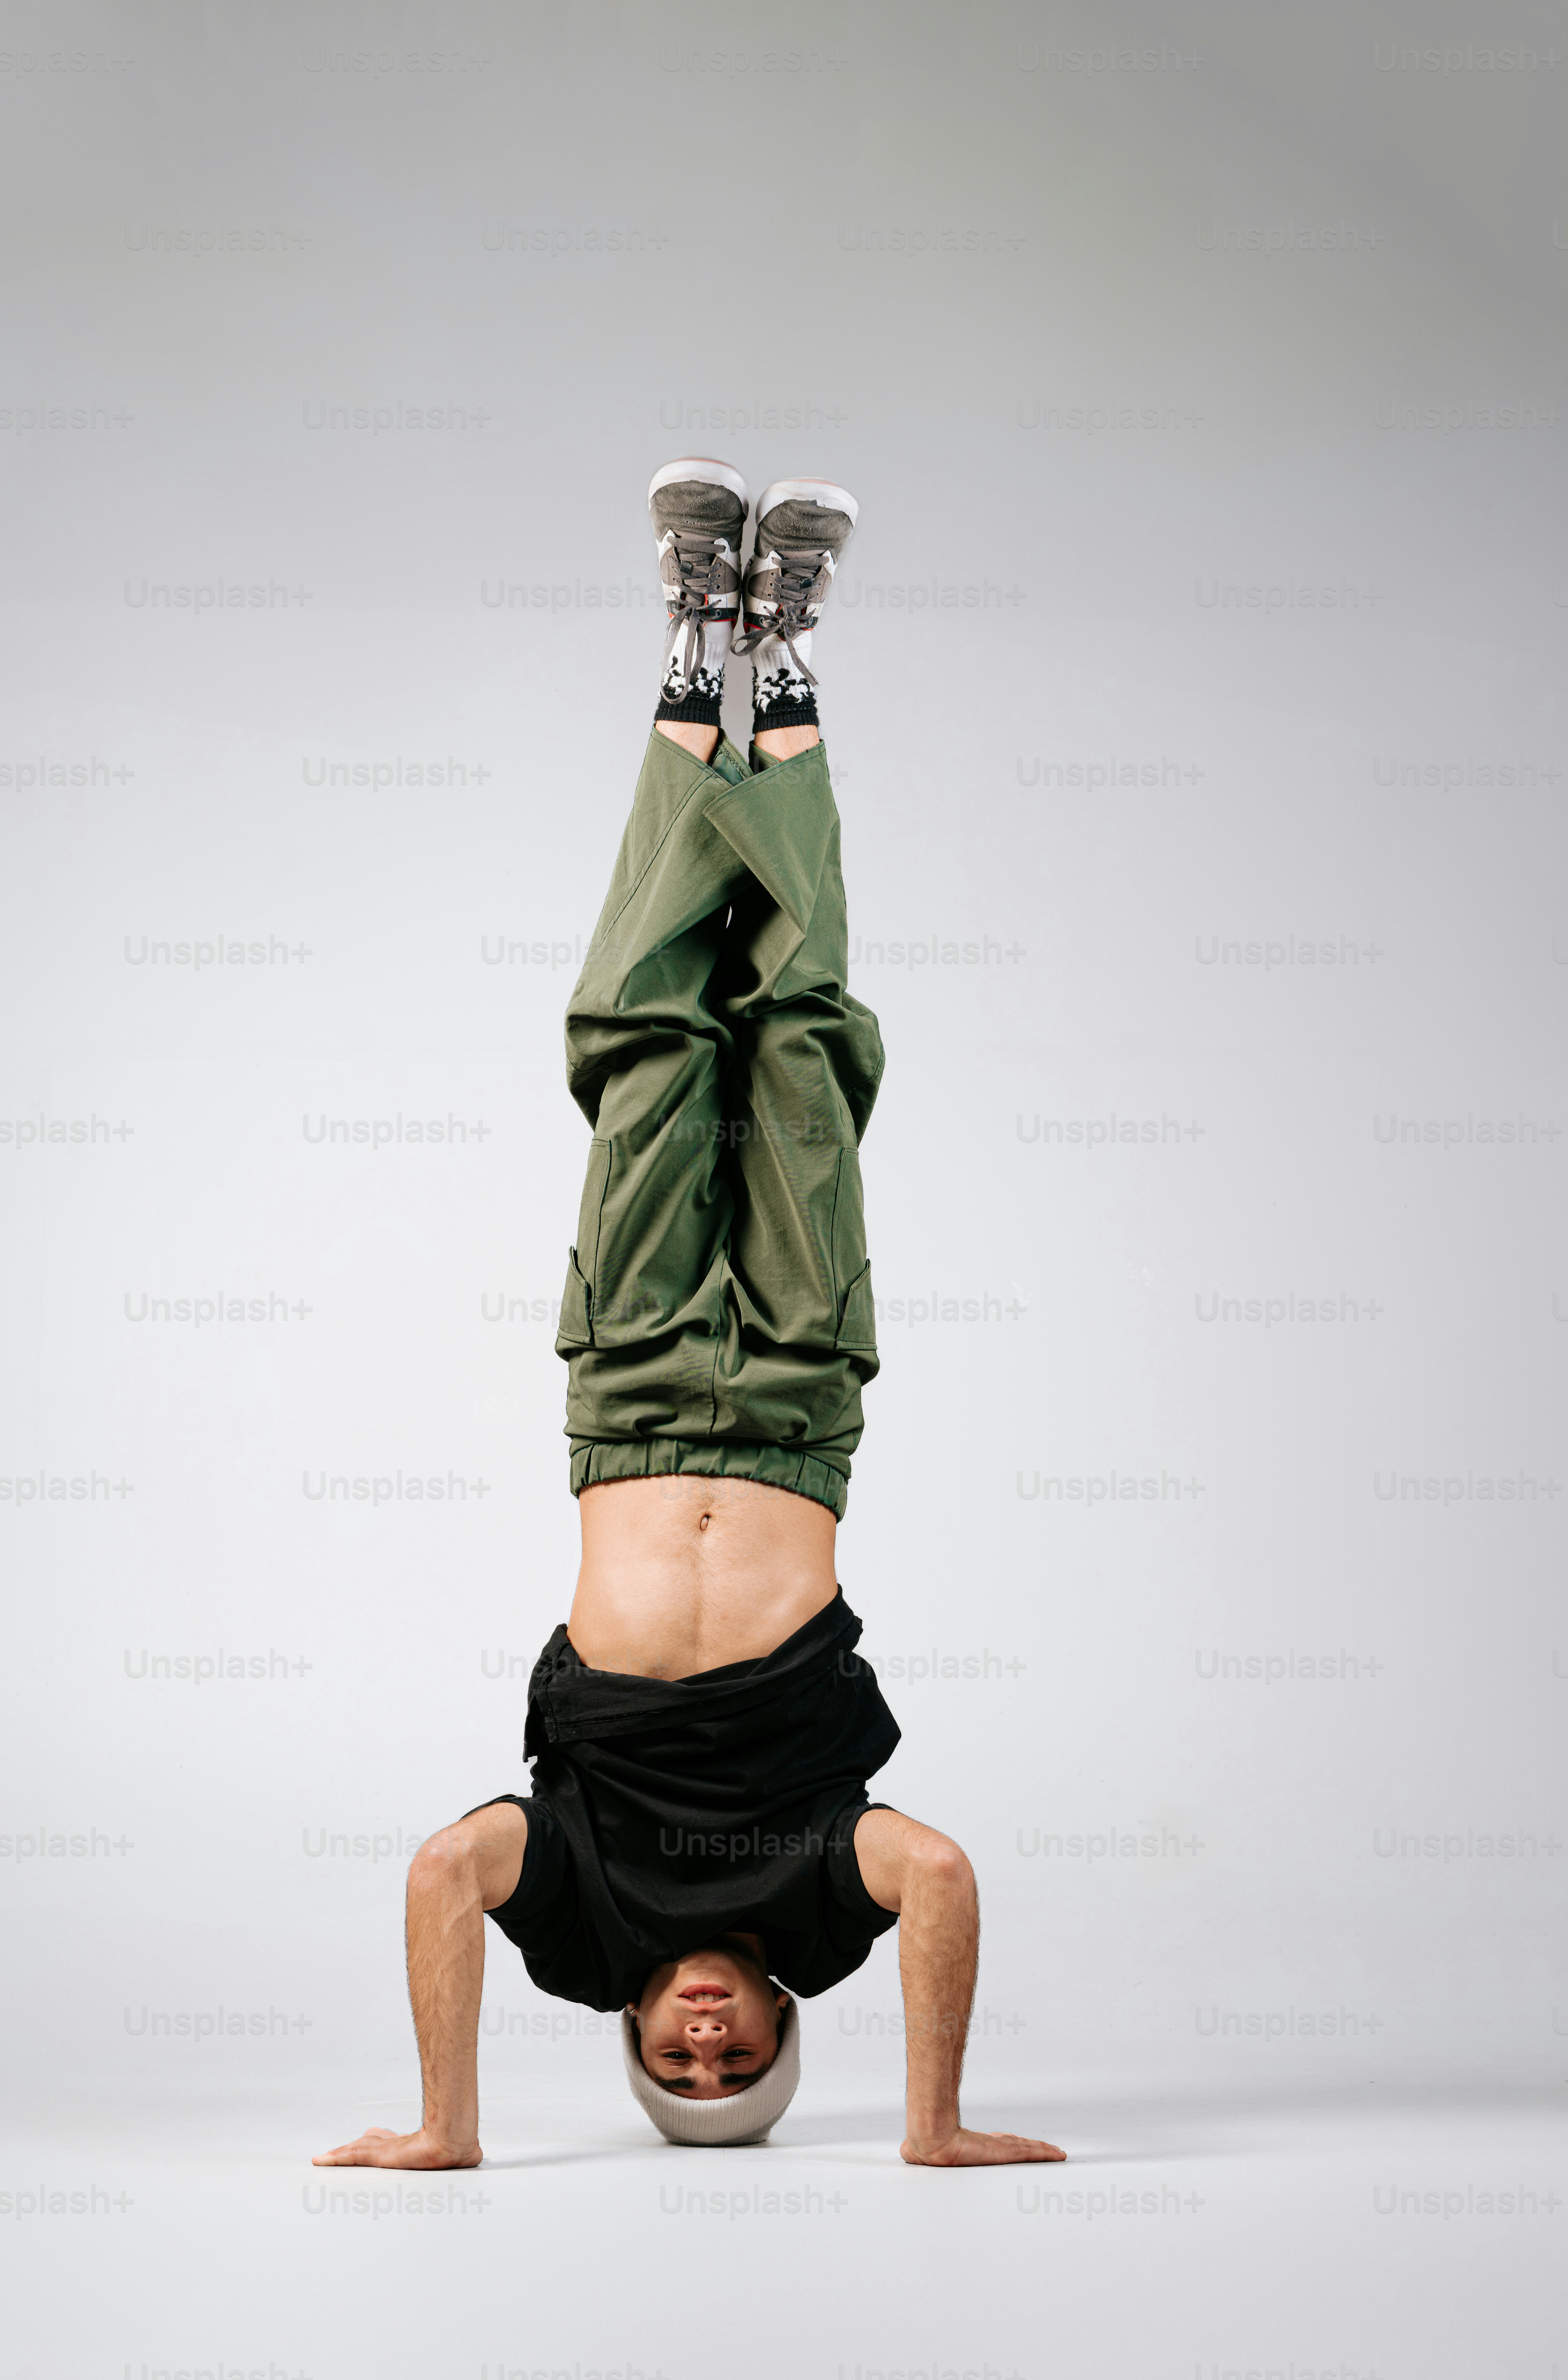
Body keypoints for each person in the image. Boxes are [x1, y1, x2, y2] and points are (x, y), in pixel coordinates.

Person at [315, 461, 1065, 2172]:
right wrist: (930, 2125)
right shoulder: (821, 1914)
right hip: (799, 1407)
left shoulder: (576, 1924)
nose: (707, 2048)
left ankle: (689, 650)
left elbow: (446, 1872)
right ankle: (783, 668)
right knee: (798, 1044)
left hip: (632, 1401)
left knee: (651, 1051)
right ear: (789, 2030)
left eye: (678, 2074)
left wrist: (448, 2126)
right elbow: (936, 1872)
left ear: (638, 2034)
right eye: (738, 2076)